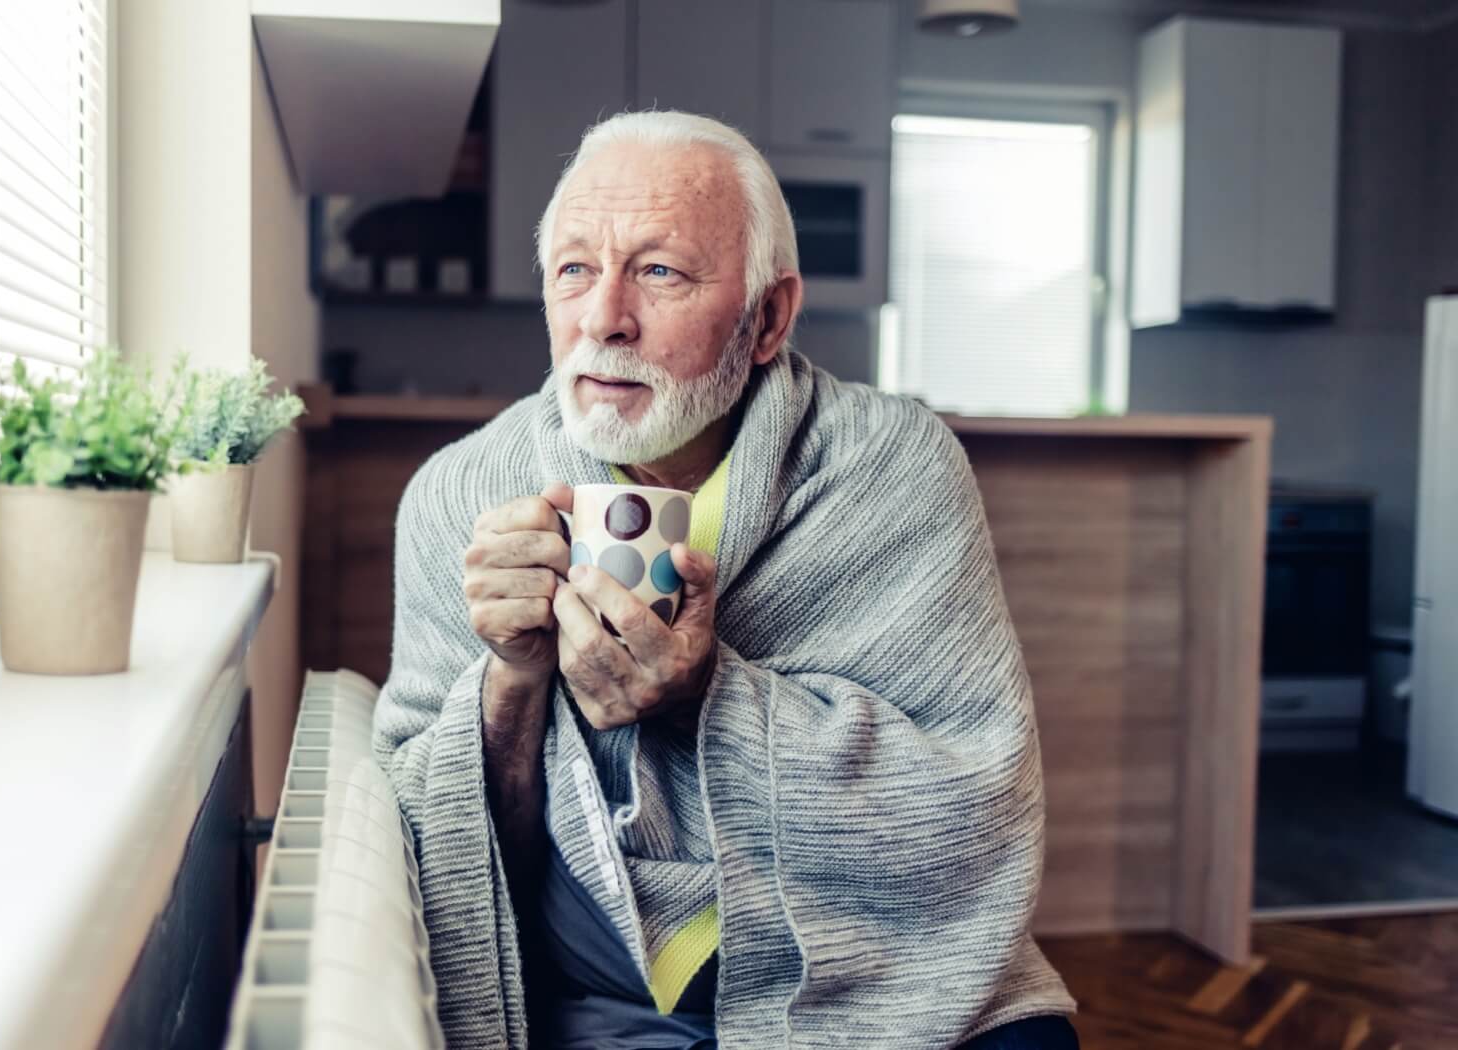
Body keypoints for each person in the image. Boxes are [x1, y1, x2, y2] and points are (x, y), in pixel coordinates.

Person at [373, 110, 1079, 1049]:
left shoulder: (891, 464)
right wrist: (512, 682)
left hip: (895, 966)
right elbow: (431, 850)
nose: (604, 319)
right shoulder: (458, 495)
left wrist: (707, 696)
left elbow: (973, 803)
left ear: (769, 318)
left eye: (659, 271)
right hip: (606, 998)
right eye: (574, 269)